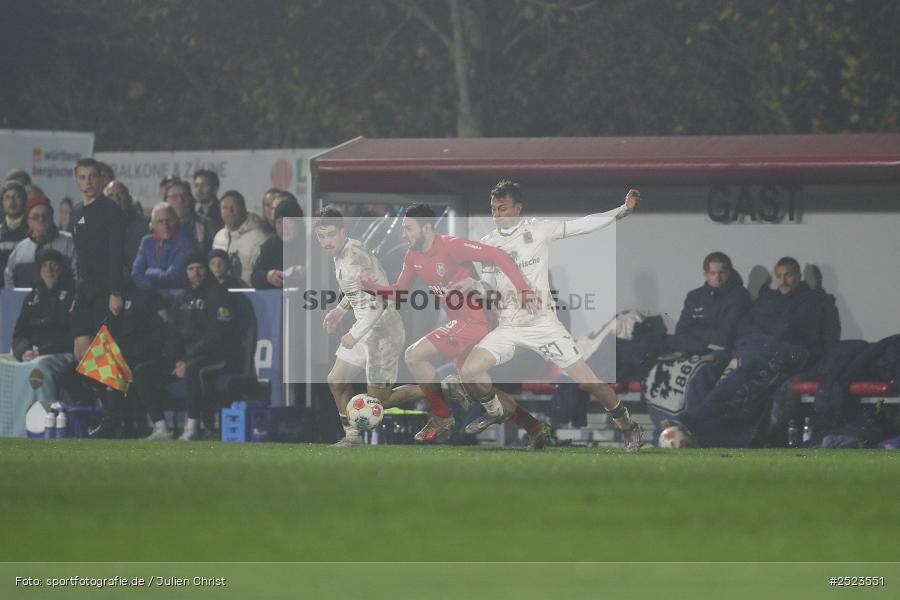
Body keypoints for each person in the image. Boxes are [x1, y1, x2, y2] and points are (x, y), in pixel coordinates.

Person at [458, 180, 644, 451]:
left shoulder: (538, 229)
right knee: (469, 370)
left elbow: (583, 225)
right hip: (509, 326)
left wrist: (621, 211)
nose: (497, 214)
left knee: (588, 380)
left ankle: (628, 426)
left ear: (518, 208)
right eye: (493, 209)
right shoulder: (488, 243)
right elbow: (489, 288)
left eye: (502, 208)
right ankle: (495, 410)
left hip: (543, 325)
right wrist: (474, 287)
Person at [361, 204, 548, 446]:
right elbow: (400, 292)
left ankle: (441, 416)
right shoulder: (413, 256)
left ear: (427, 228)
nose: (403, 234)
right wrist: (372, 288)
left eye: (408, 228)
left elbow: (499, 256)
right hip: (460, 324)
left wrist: (523, 290)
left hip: (476, 321)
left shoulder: (451, 246)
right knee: (478, 387)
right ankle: (534, 426)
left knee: (414, 356)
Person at [676, 256, 838, 447]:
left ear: (798, 276)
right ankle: (700, 430)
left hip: (788, 354)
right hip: (755, 350)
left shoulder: (810, 301)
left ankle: (693, 420)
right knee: (711, 370)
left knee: (744, 374)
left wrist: (763, 336)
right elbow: (746, 325)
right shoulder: (768, 298)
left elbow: (790, 330)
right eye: (779, 276)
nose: (783, 281)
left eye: (788, 276)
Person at [314, 207, 407, 447]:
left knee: (380, 401)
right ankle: (352, 437)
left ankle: (439, 389)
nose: (326, 242)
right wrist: (340, 309)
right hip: (365, 328)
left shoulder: (353, 257)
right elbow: (355, 291)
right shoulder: (344, 252)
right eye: (321, 236)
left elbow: (379, 304)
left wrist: (354, 334)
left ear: (342, 231)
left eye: (331, 235)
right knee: (336, 380)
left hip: (384, 330)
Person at [141, 249, 239, 441]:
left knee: (193, 369)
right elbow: (172, 335)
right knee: (143, 371)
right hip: (183, 358)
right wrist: (176, 359)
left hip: (214, 357)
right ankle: (162, 428)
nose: (196, 273)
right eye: (191, 269)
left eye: (200, 268)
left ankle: (192, 428)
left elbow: (217, 335)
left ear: (207, 270)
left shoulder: (219, 295)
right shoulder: (181, 298)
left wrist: (186, 361)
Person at [69, 158, 126, 363]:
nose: (88, 182)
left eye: (92, 176)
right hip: (84, 291)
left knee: (99, 355)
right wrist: (76, 294)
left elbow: (116, 255)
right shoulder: (75, 213)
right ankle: (94, 394)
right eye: (83, 177)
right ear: (77, 180)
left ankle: (113, 394)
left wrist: (115, 292)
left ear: (101, 178)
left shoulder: (111, 211)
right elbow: (78, 256)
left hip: (105, 290)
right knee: (79, 352)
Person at [668, 251, 752, 355]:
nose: (718, 278)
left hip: (722, 353)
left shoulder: (740, 296)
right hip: (694, 350)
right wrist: (703, 345)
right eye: (713, 273)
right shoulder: (694, 296)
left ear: (729, 272)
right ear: (706, 275)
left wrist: (694, 331)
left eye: (722, 273)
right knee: (655, 340)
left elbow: (725, 336)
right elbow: (680, 333)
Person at [11, 249, 76, 362]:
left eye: (53, 265)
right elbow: (19, 333)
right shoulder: (32, 297)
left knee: (39, 366)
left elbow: (71, 334)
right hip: (33, 354)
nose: (49, 270)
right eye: (44, 265)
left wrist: (42, 352)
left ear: (61, 268)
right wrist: (24, 351)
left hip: (61, 354)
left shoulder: (72, 294)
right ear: (39, 270)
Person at [4, 195, 76, 288]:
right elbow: (9, 278)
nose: (41, 220)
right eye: (35, 217)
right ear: (28, 221)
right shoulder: (20, 249)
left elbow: (78, 276)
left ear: (52, 217)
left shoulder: (69, 242)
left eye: (45, 216)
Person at [131, 203, 196, 290]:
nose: (165, 226)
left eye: (169, 221)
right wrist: (152, 286)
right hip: (151, 295)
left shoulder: (186, 242)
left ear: (177, 221)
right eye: (160, 222)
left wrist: (149, 271)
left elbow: (172, 276)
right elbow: (136, 274)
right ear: (153, 225)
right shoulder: (147, 241)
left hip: (177, 297)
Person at [212, 190, 270, 286]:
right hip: (221, 295)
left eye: (234, 207)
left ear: (244, 208)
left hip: (251, 296)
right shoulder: (219, 236)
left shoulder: (259, 238)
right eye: (225, 208)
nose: (229, 211)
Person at [251, 198, 303, 289]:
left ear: (299, 223)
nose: (284, 227)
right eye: (279, 222)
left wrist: (307, 273)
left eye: (289, 222)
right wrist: (267, 276)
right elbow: (255, 277)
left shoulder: (311, 244)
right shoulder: (270, 245)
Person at [104, 181, 149, 270]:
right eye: (110, 195)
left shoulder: (144, 226)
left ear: (129, 198)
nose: (116, 198)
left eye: (120, 194)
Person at [165, 180, 216, 252]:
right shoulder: (157, 225)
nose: (180, 200)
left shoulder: (207, 224)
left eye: (184, 195)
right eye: (174, 197)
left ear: (191, 198)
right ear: (166, 200)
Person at [1, 181, 30, 284]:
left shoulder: (32, 230)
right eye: (7, 197)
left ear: (24, 201)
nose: (11, 201)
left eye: (16, 197)